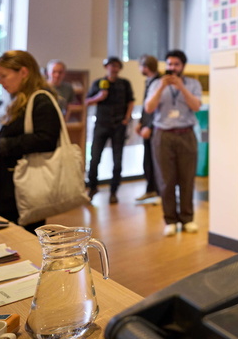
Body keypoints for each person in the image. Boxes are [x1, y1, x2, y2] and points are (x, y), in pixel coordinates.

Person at [0, 50, 61, 233]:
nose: (0, 81)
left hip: (23, 189)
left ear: (24, 72)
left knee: (21, 239)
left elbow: (46, 140)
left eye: (4, 75)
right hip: (11, 184)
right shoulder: (22, 100)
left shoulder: (41, 100)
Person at [145, 50, 202, 236]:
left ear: (183, 66)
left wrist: (182, 88)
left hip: (186, 134)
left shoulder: (192, 84)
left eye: (176, 64)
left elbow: (196, 106)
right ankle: (170, 220)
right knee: (166, 180)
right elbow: (149, 108)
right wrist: (161, 88)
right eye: (169, 64)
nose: (172, 68)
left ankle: (187, 219)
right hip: (163, 135)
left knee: (187, 179)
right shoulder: (156, 84)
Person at [85, 57, 134, 204]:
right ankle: (92, 187)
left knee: (117, 161)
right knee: (94, 159)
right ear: (106, 67)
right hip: (101, 125)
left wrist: (126, 118)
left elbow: (130, 101)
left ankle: (114, 191)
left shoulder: (124, 84)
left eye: (116, 66)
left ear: (119, 68)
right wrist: (99, 97)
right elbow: (87, 101)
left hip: (119, 125)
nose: (113, 68)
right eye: (111, 66)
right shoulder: (99, 83)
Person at [135, 54, 161, 202]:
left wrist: (149, 126)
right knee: (147, 160)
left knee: (155, 160)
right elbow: (146, 106)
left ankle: (157, 191)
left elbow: (157, 108)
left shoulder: (158, 82)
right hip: (147, 125)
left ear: (146, 67)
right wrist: (141, 122)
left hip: (155, 128)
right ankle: (150, 189)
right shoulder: (149, 82)